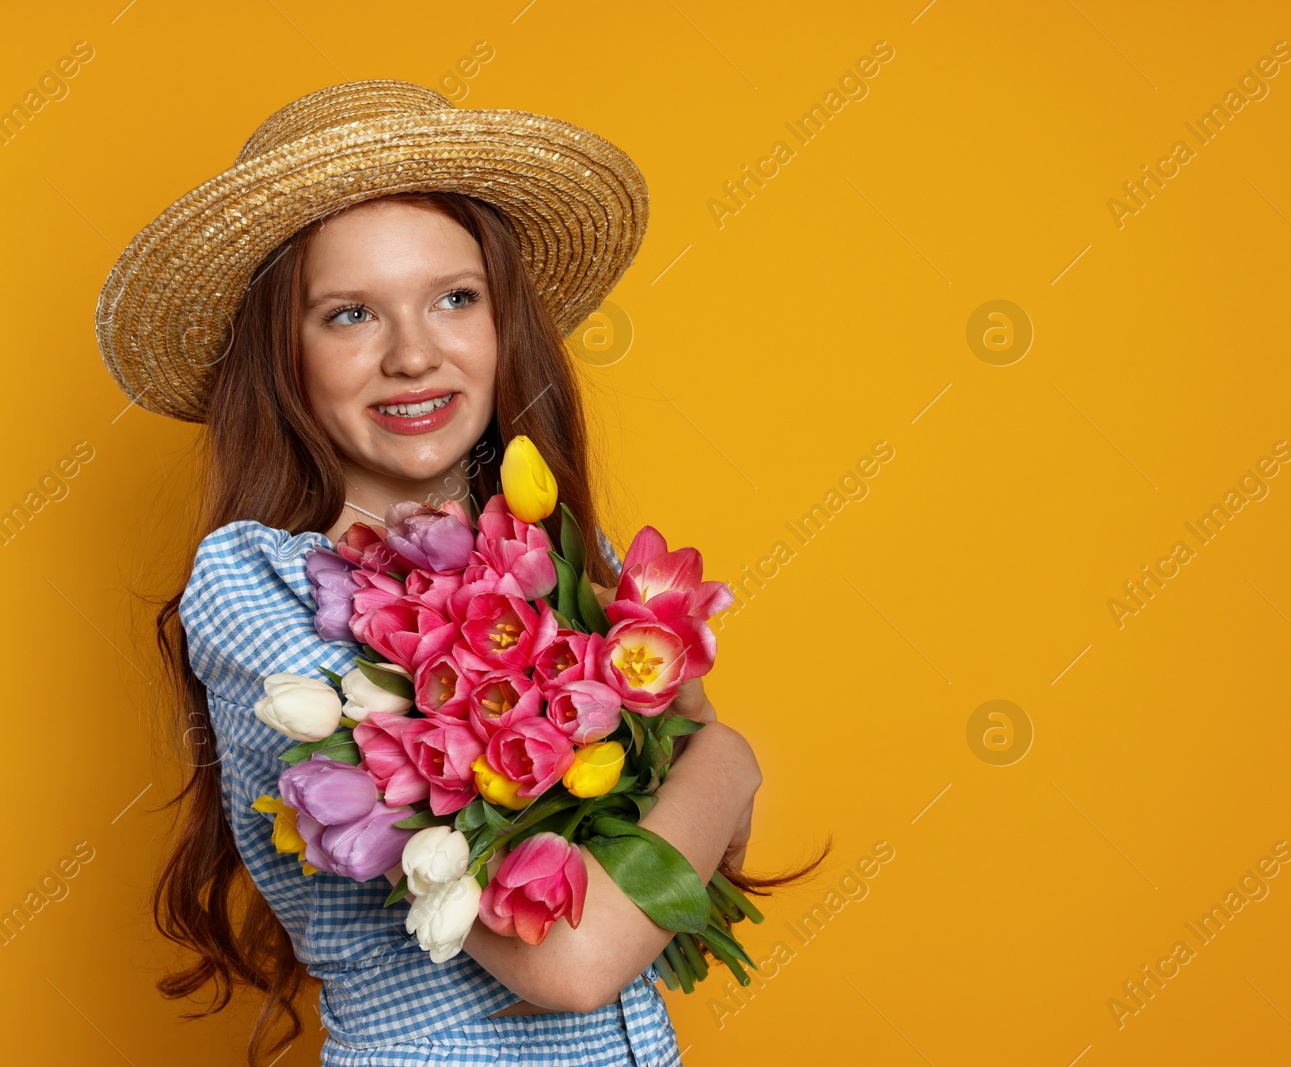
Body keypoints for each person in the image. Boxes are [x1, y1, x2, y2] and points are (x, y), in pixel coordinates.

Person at [96, 80, 824, 1066]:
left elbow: (697, 870)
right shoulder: (256, 585)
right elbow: (574, 956)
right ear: (284, 356)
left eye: (453, 297)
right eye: (349, 314)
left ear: (501, 320)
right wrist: (730, 755)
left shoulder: (559, 555)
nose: (412, 353)